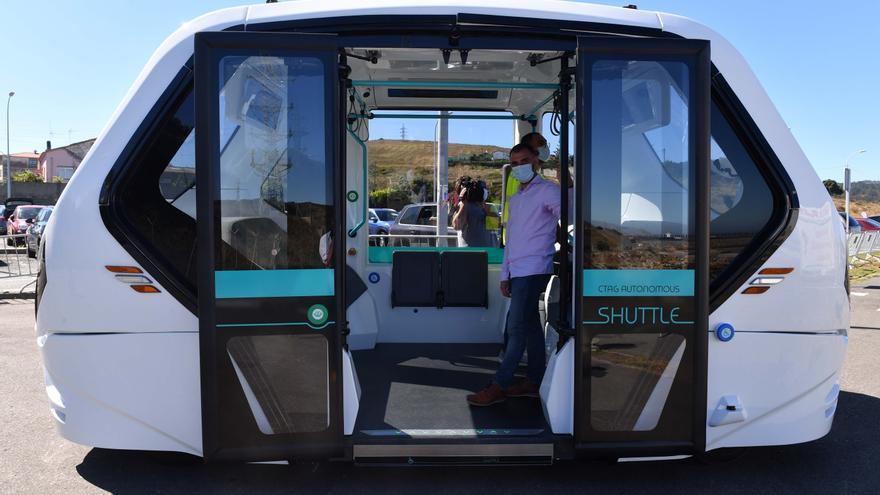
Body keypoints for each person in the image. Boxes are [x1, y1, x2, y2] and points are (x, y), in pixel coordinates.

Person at [467, 143, 561, 406]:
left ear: (537, 162)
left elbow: (570, 215)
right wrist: (505, 274)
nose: (519, 167)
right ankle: (534, 380)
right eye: (515, 163)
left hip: (534, 269)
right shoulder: (517, 198)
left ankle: (501, 384)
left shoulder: (548, 191)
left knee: (516, 327)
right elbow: (512, 239)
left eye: (524, 161)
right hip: (517, 271)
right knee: (530, 327)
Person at [502, 132, 550, 244]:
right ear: (530, 149)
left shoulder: (524, 175)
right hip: (522, 239)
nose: (545, 146)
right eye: (541, 143)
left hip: (516, 237)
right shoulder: (524, 175)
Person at [452, 178, 493, 247]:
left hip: (489, 252)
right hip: (469, 253)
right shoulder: (462, 207)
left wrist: (483, 204)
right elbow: (457, 226)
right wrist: (463, 201)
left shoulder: (488, 208)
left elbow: (495, 226)